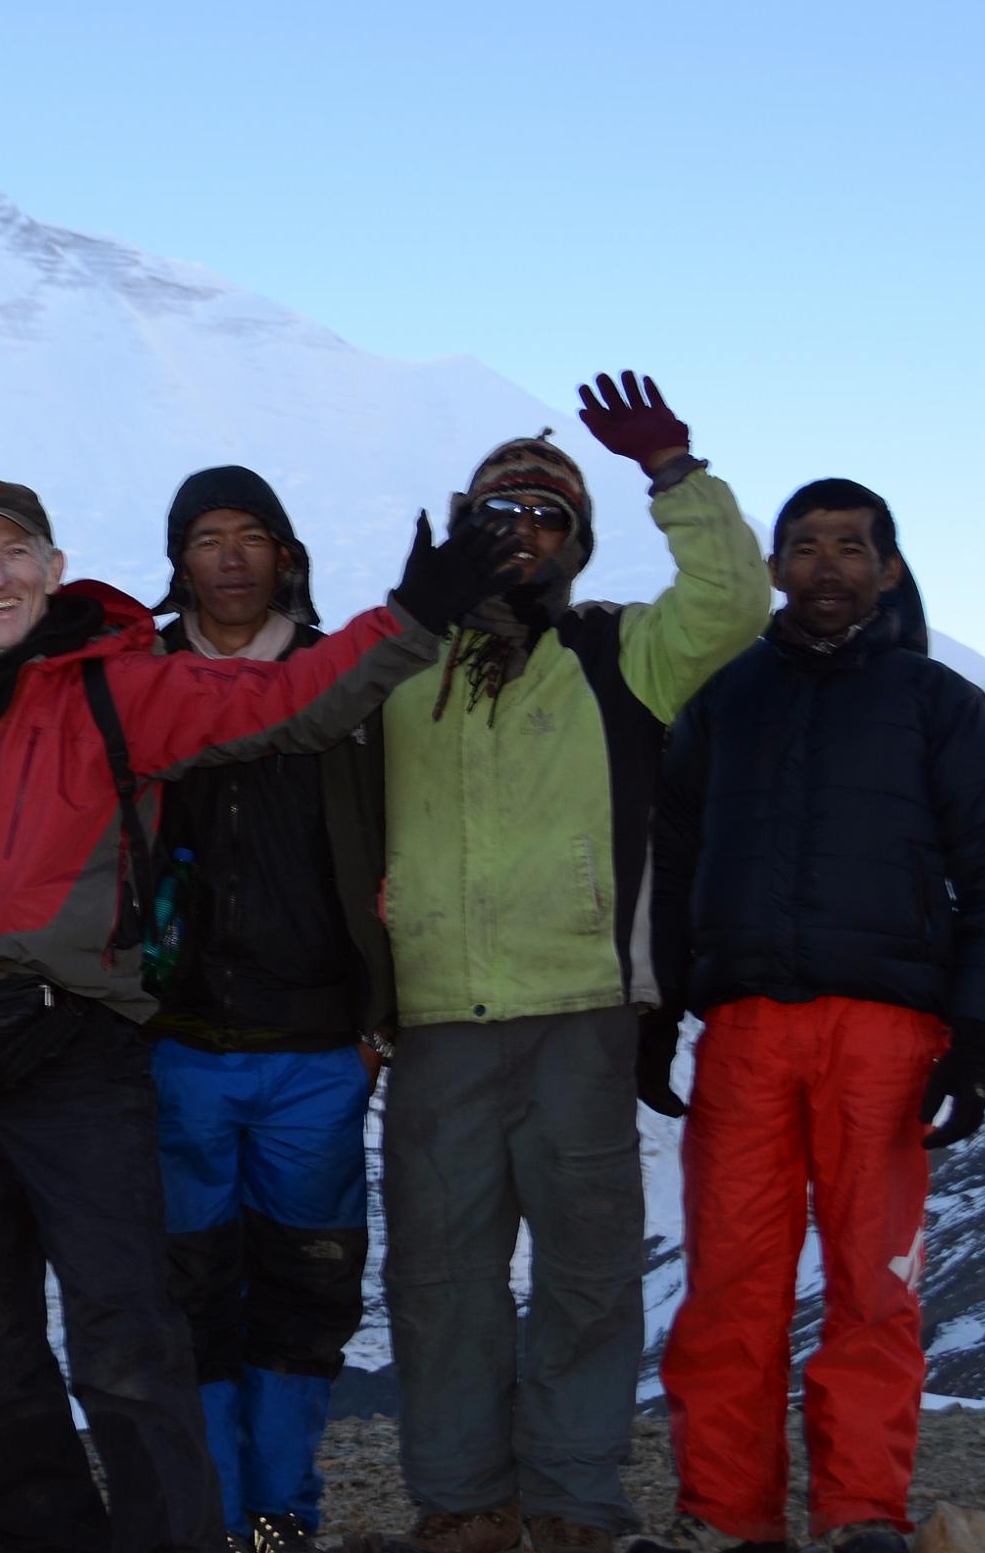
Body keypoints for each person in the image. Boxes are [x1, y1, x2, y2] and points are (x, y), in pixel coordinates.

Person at [0, 480, 512, 1553]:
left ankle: (207, 1532)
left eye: (17, 553)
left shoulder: (119, 690)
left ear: (51, 568)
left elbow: (288, 697)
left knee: (129, 1331)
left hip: (86, 1044)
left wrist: (416, 612)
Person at [362, 374, 771, 1553]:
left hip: (583, 1010)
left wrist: (676, 477)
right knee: (443, 1287)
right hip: (437, 1018)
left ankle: (577, 1505)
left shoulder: (620, 653)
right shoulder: (398, 664)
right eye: (500, 511)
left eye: (545, 516)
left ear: (577, 544)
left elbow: (734, 603)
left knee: (590, 1279)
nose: (523, 533)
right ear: (464, 525)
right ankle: (462, 1507)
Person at [639, 481, 985, 1553]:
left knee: (876, 1285)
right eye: (807, 547)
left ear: (890, 569)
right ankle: (725, 1516)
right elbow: (673, 864)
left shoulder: (942, 705)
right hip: (743, 1032)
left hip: (889, 1036)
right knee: (730, 1284)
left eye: (851, 547)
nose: (828, 565)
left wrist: (976, 1037)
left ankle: (863, 1515)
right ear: (775, 569)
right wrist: (656, 1006)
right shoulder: (727, 703)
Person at [145, 467, 396, 1553]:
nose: (234, 556)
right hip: (177, 1036)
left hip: (319, 1039)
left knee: (305, 1285)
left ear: (286, 553)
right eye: (210, 538)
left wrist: (380, 1008)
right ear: (181, 559)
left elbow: (395, 839)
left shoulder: (341, 677)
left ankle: (282, 1511)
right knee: (189, 1283)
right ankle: (211, 1512)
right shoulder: (138, 677)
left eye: (254, 536)